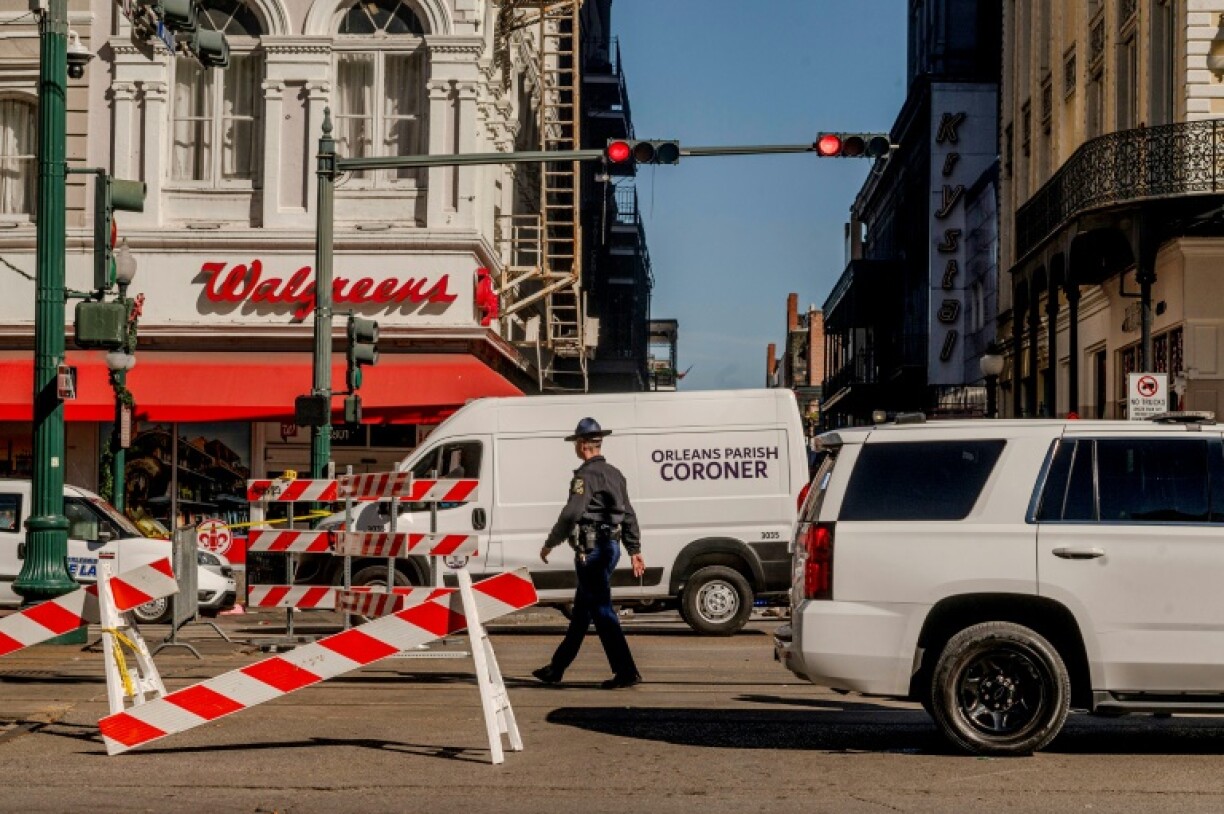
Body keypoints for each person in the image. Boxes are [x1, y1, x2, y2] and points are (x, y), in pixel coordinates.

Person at [533, 417, 645, 690]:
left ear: (583, 446)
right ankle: (556, 668)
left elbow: (572, 512)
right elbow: (628, 514)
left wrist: (551, 542)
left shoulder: (584, 476)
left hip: (593, 550)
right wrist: (634, 549)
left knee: (602, 610)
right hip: (611, 547)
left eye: (576, 443)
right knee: (583, 611)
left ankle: (626, 671)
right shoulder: (616, 473)